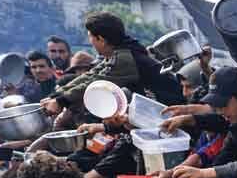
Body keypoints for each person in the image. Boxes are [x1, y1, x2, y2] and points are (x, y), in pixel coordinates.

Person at [42, 11, 183, 116]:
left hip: (172, 109)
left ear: (101, 39)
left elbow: (95, 84)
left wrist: (61, 101)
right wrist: (56, 95)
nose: (90, 42)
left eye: (91, 38)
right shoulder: (119, 53)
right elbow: (90, 75)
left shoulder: (125, 59)